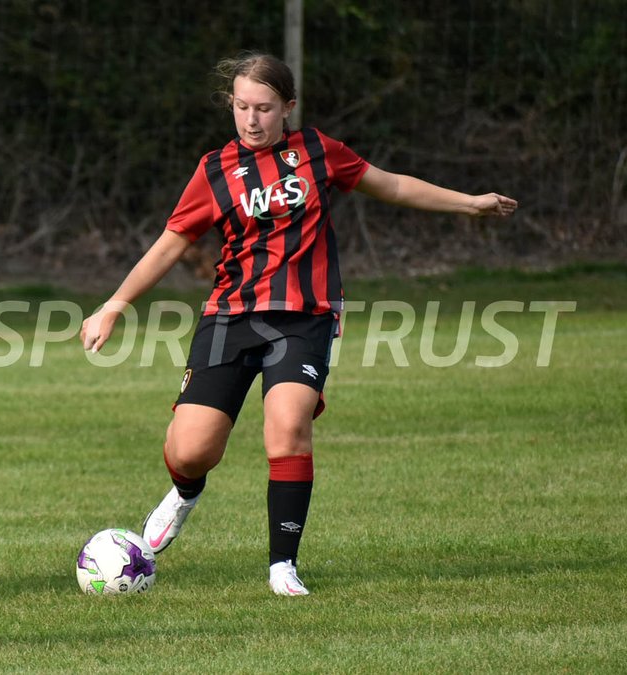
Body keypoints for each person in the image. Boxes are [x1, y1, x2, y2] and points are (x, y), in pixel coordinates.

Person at [80, 52, 517, 597]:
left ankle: (282, 566)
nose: (252, 119)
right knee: (192, 449)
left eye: (264, 108)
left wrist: (468, 204)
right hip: (230, 316)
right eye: (241, 107)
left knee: (288, 428)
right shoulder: (214, 170)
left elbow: (394, 185)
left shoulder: (317, 151)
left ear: (288, 107)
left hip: (304, 318)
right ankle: (185, 492)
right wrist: (115, 304)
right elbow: (171, 244)